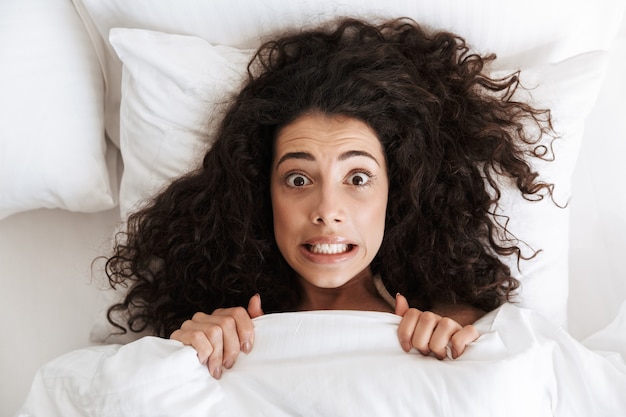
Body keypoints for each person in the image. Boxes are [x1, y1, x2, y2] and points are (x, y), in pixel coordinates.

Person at [104, 17, 555, 379]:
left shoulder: (453, 327)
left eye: (357, 178)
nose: (326, 212)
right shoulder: (217, 336)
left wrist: (463, 330)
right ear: (262, 194)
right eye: (298, 180)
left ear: (395, 194)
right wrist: (182, 354)